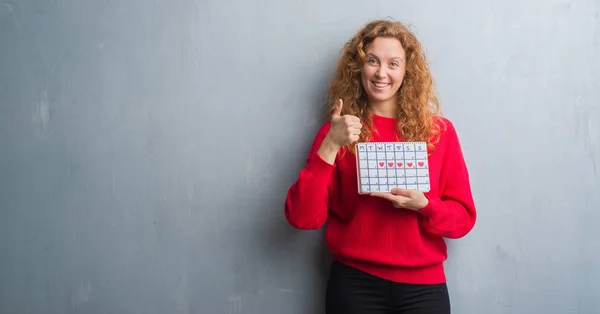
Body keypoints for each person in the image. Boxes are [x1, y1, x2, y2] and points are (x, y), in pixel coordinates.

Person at [284, 19, 477, 314]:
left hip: (423, 288)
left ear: (407, 71)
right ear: (358, 68)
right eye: (372, 61)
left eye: (393, 63)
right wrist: (331, 146)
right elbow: (302, 218)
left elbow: (463, 219)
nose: (381, 73)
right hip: (354, 285)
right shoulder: (335, 133)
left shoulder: (439, 133)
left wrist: (424, 205)